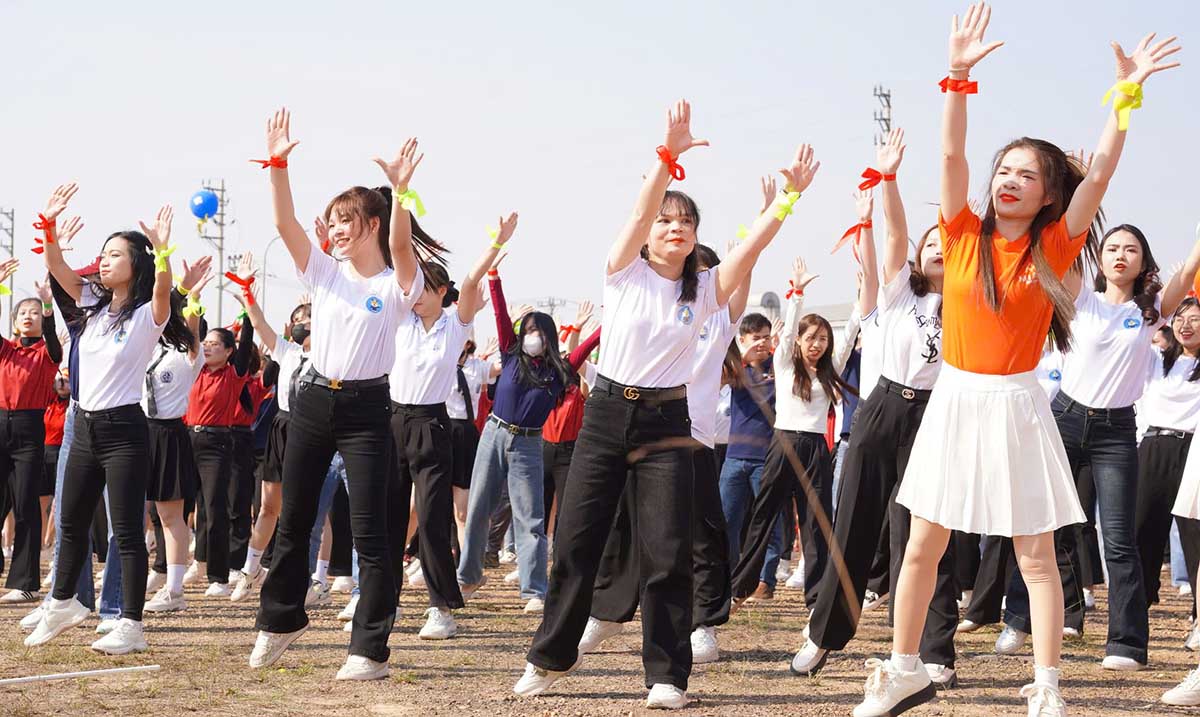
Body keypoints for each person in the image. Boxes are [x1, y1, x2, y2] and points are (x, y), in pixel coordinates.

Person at [853, 7, 1181, 715]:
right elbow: (949, 159)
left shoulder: (1055, 247)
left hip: (1020, 403)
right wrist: (959, 76)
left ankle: (1046, 685)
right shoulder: (962, 232)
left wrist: (1124, 99)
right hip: (956, 400)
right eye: (1004, 169)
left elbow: (1101, 173)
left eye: (1026, 174)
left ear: (1048, 193)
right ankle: (904, 666)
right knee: (921, 548)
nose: (1008, 179)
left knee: (1035, 554)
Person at [516, 100, 820, 710]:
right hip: (605, 415)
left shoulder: (704, 290)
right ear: (649, 232)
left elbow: (750, 250)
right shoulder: (622, 272)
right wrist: (668, 158)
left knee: (666, 550)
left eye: (686, 222)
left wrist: (785, 203)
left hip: (667, 424)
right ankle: (549, 657)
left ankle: (666, 675)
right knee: (576, 541)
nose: (674, 228)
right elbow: (637, 209)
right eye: (664, 221)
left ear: (696, 239)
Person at [249, 109, 441, 681]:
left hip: (366, 410)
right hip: (310, 402)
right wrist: (279, 164)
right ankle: (280, 622)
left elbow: (404, 245)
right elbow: (285, 224)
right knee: (294, 517)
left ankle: (369, 650)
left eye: (345, 220)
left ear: (372, 223)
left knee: (371, 532)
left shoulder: (397, 282)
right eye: (331, 221)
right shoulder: (324, 274)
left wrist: (403, 191)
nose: (334, 230)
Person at [793, 127, 958, 687]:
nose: (937, 245)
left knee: (924, 534)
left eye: (948, 240)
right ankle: (825, 635)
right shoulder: (900, 292)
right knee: (854, 525)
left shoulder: (971, 304)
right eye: (931, 240)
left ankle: (932, 648)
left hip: (937, 417)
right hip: (884, 408)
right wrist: (888, 177)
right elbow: (895, 233)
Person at [999, 222, 1199, 669]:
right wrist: (1079, 199)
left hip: (1116, 432)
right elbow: (1057, 250)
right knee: (1044, 522)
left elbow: (1187, 273)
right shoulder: (1081, 296)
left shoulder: (1150, 312)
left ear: (1143, 261)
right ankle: (1018, 618)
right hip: (1066, 419)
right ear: (1101, 257)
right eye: (1112, 248)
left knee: (1118, 540)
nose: (1120, 255)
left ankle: (1126, 644)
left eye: (1131, 249)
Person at [28, 186, 192, 656]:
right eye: (102, 255)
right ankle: (63, 602)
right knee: (70, 520)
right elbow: (58, 269)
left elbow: (163, 290)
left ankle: (130, 624)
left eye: (115, 255)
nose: (103, 262)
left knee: (126, 531)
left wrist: (161, 250)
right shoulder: (91, 311)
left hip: (124, 431)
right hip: (85, 426)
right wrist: (50, 227)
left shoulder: (146, 316)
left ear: (134, 265)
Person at [387, 215, 510, 640]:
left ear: (441, 292)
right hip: (392, 420)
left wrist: (494, 245)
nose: (416, 295)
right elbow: (396, 255)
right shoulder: (399, 319)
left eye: (425, 289)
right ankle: (376, 594)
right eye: (413, 288)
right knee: (387, 516)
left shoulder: (456, 325)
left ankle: (441, 608)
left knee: (434, 517)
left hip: (432, 424)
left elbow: (472, 281)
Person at [142, 259, 214, 613]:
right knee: (138, 514)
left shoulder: (189, 354)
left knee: (172, 516)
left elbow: (191, 328)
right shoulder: (147, 346)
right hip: (136, 431)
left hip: (168, 434)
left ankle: (174, 589)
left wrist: (193, 298)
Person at [232, 287, 311, 603]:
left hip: (311, 430)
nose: (302, 322)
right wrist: (249, 297)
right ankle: (250, 571)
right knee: (267, 506)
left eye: (309, 317)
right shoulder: (287, 352)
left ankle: (305, 580)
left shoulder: (332, 353)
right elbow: (261, 324)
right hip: (282, 428)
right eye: (297, 319)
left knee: (303, 511)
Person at [0, 271, 65, 603]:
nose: (29, 317)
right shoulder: (5, 350)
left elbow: (55, 341)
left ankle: (24, 582)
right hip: (0, 424)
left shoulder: (47, 353)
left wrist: (49, 304)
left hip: (29, 429)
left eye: (34, 312)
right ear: (14, 321)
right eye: (23, 312)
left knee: (26, 504)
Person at [1136, 299, 1200, 611]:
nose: (1186, 325)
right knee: (1144, 530)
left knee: (1194, 533)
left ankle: (1197, 616)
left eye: (1195, 319)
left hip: (1194, 451)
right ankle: (1138, 607)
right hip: (1154, 447)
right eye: (1180, 319)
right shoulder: (1156, 360)